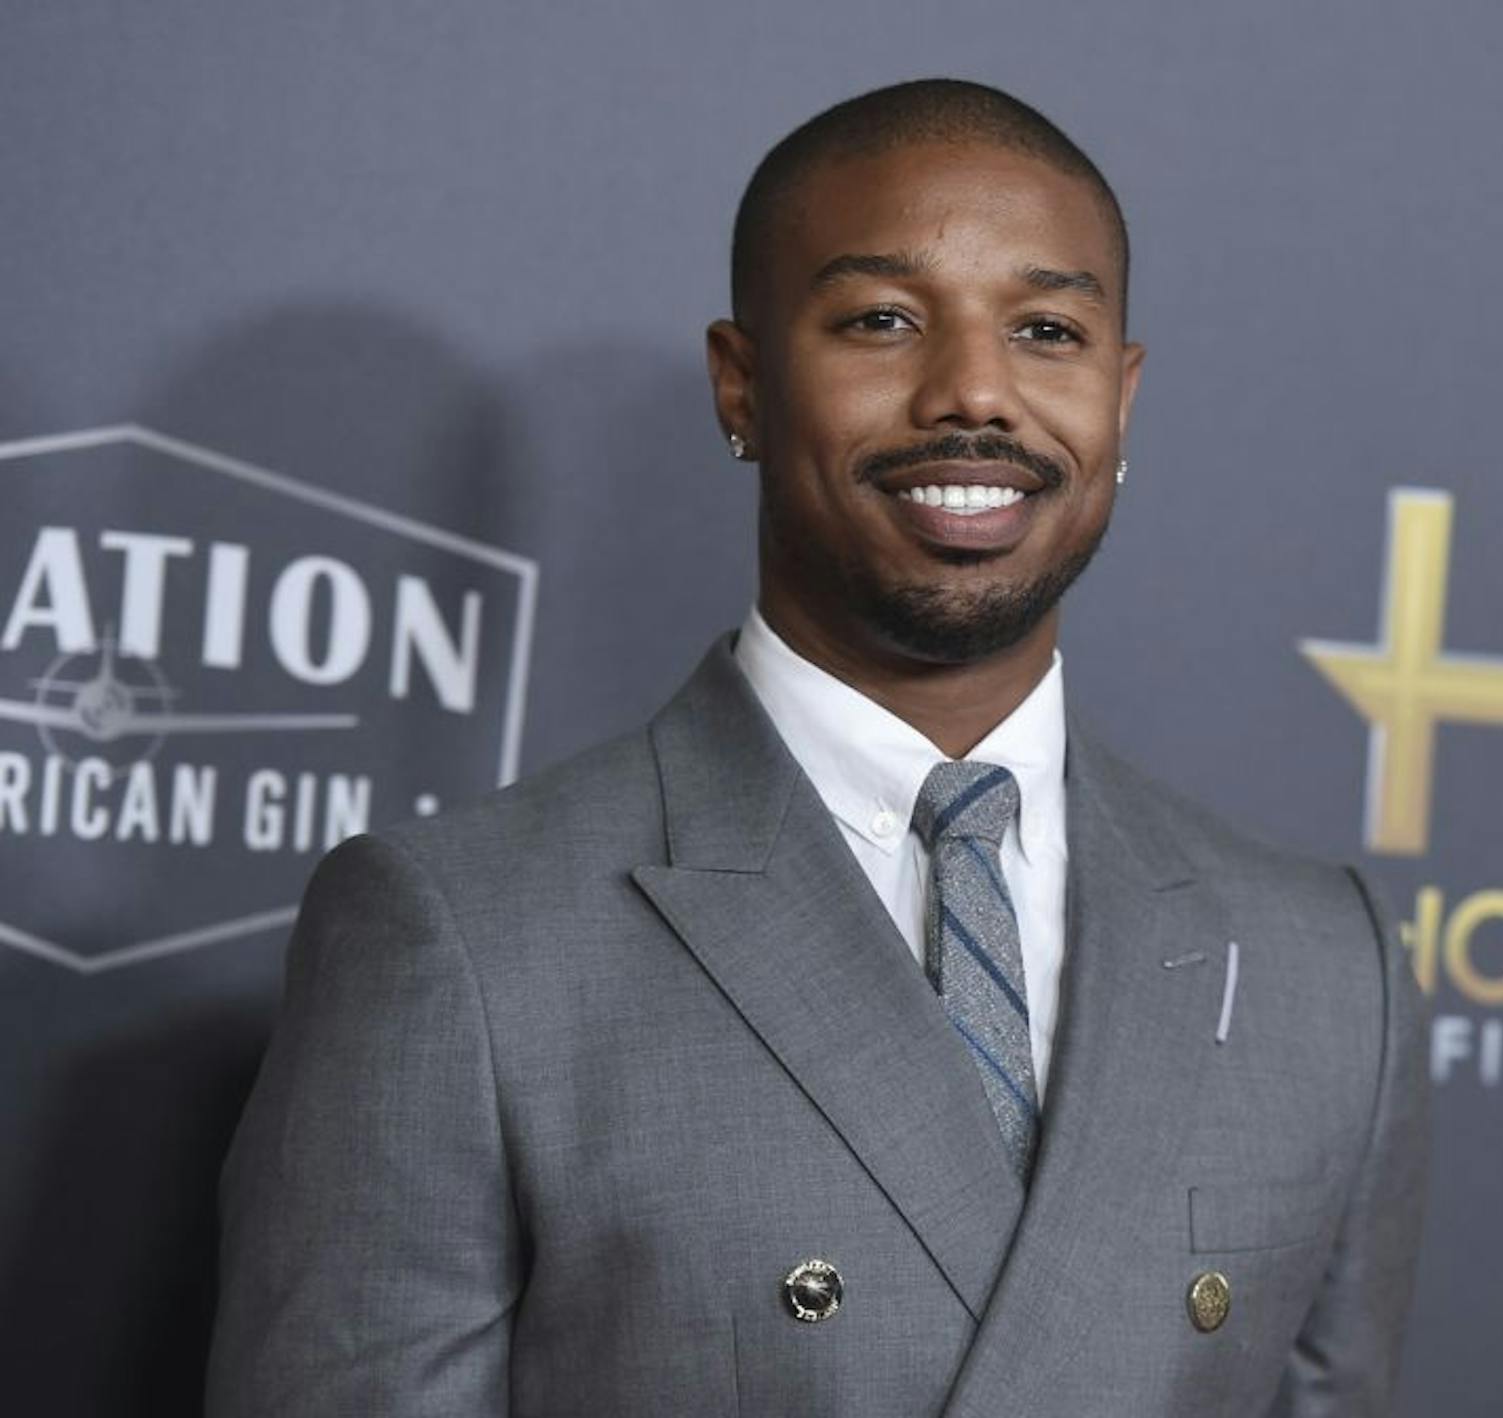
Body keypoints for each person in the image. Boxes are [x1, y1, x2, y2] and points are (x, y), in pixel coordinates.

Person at [206, 78, 1430, 1416]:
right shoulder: (468, 940)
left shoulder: (1325, 972)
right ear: (743, 384)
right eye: (883, 320)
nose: (976, 390)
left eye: (1047, 329)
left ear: (1120, 399)